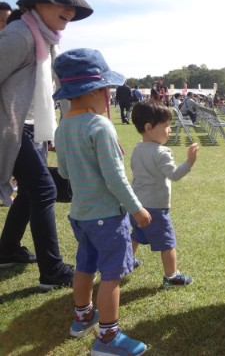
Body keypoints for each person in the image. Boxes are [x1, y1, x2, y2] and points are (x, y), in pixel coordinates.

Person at [53, 48, 152, 355]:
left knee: (84, 266)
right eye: (108, 89)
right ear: (96, 90)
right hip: (108, 217)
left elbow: (66, 171)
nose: (110, 95)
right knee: (112, 275)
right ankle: (108, 339)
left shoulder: (63, 128)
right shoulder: (100, 126)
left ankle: (82, 317)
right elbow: (116, 179)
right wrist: (137, 209)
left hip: (80, 215)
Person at [0, 0, 93, 288]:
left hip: (33, 127)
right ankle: (52, 271)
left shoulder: (46, 38)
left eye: (73, 6)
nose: (69, 11)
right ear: (38, 3)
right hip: (10, 129)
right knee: (44, 190)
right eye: (62, 3)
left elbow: (56, 88)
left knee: (29, 191)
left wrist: (66, 126)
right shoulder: (19, 36)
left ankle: (7, 250)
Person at [130, 99, 198, 288]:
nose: (169, 130)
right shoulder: (162, 152)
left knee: (135, 235)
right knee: (168, 243)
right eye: (166, 126)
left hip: (136, 205)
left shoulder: (137, 148)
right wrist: (189, 162)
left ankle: (125, 263)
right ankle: (172, 276)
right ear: (149, 127)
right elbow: (174, 175)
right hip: (157, 209)